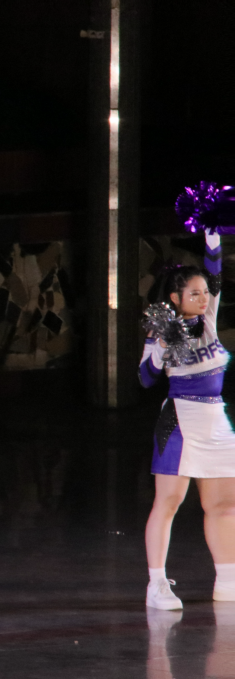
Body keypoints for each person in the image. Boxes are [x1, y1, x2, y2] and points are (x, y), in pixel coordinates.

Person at [140, 230, 234, 610]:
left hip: (216, 420)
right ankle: (156, 585)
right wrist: (162, 346)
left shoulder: (209, 318)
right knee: (168, 502)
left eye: (204, 293)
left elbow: (215, 272)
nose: (203, 298)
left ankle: (228, 580)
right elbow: (146, 378)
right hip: (181, 420)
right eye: (194, 294)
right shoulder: (161, 330)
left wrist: (212, 234)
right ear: (176, 298)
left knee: (225, 506)